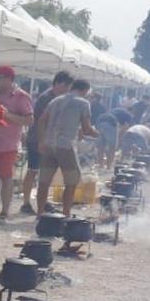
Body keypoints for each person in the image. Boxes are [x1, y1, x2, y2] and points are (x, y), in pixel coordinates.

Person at [33, 78, 96, 218]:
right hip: (66, 146)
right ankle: (66, 214)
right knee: (71, 181)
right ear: (85, 90)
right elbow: (86, 129)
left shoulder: (55, 100)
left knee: (44, 182)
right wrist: (97, 133)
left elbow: (41, 120)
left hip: (49, 145)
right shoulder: (83, 103)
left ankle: (39, 213)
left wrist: (41, 140)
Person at [22, 71, 72, 212]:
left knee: (46, 173)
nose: (66, 89)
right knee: (33, 171)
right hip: (37, 140)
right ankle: (26, 202)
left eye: (68, 87)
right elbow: (40, 122)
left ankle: (42, 201)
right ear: (56, 83)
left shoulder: (61, 99)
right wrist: (41, 141)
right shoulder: (46, 98)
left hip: (50, 142)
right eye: (64, 86)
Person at [0, 66, 32, 217]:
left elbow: (29, 120)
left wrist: (6, 115)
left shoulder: (20, 96)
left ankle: (4, 211)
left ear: (8, 79)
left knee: (6, 178)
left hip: (8, 145)